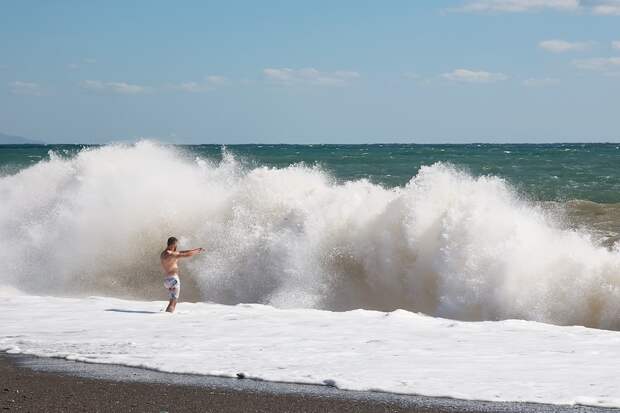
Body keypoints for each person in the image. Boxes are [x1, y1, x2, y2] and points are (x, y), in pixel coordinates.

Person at [160, 236, 204, 313]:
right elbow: (186, 254)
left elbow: (182, 252)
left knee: (172, 301)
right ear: (172, 245)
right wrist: (197, 251)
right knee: (173, 302)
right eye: (176, 245)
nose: (176, 247)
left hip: (167, 280)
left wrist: (195, 249)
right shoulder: (171, 254)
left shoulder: (163, 253)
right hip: (173, 280)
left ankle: (167, 315)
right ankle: (168, 318)